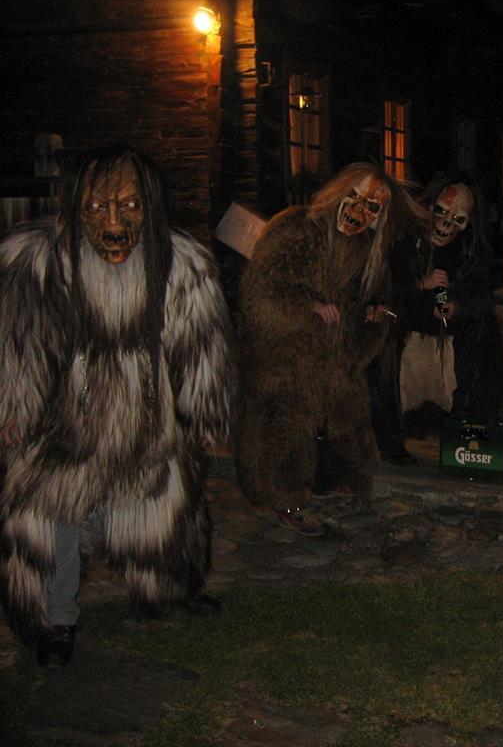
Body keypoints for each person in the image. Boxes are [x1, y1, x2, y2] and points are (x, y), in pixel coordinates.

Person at [0, 146, 236, 667]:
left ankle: (171, 585)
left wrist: (202, 409)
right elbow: (20, 344)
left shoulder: (181, 264)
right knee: (55, 513)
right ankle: (56, 617)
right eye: (97, 209)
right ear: (77, 209)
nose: (113, 225)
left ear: (149, 207)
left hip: (148, 416)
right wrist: (13, 408)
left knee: (165, 503)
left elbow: (199, 343)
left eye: (129, 207)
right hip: (68, 422)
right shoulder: (41, 263)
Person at [235, 163, 423, 535]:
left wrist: (375, 317)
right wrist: (308, 306)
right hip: (286, 354)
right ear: (340, 192)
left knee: (342, 416)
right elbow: (261, 290)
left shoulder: (366, 251)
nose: (359, 211)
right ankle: (285, 500)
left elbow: (371, 307)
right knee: (286, 423)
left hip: (334, 361)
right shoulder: (297, 227)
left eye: (372, 207)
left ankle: (339, 481)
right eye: (355, 197)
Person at [371, 172, 503, 459]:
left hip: (443, 319)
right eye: (442, 211)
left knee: (482, 326)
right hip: (406, 311)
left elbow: (480, 293)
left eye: (458, 219)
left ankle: (466, 418)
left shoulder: (469, 247)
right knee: (386, 329)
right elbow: (384, 285)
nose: (446, 224)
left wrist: (455, 305)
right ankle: (390, 433)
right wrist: (420, 284)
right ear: (432, 205)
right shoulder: (405, 235)